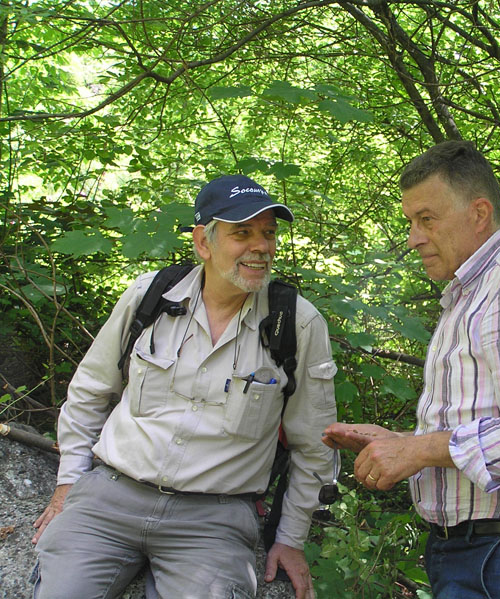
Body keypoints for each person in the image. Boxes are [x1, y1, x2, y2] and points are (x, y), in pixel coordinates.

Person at [32, 174, 337, 599]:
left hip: (214, 523)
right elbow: (89, 391)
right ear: (203, 242)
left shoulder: (296, 324)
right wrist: (68, 482)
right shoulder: (149, 296)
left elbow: (314, 444)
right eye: (242, 232)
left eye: (269, 234)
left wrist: (290, 539)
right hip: (109, 500)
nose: (261, 246)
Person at [323, 141, 500, 598]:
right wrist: (402, 445)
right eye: (411, 222)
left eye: (427, 220)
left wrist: (419, 451)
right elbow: (485, 423)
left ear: (479, 213)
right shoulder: (472, 293)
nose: (413, 238)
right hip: (484, 553)